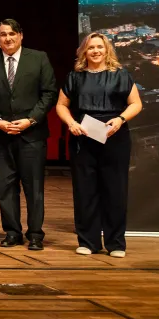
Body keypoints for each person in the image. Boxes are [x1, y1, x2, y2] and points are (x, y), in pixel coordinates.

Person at [55, 33, 142, 257]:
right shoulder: (75, 77)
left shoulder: (121, 75)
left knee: (115, 190)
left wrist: (120, 120)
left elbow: (136, 104)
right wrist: (71, 123)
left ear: (107, 50)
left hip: (114, 136)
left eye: (99, 47)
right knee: (85, 190)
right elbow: (61, 106)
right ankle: (88, 241)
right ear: (84, 51)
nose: (95, 51)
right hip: (83, 135)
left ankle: (116, 243)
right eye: (91, 47)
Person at [0, 19, 58, 250]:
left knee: (34, 188)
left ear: (21, 35)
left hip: (31, 135)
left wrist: (30, 120)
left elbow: (49, 94)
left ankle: (35, 235)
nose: (8, 38)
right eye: (3, 35)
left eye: (12, 34)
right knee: (5, 188)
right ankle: (12, 232)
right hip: (1, 136)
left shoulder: (39, 58)